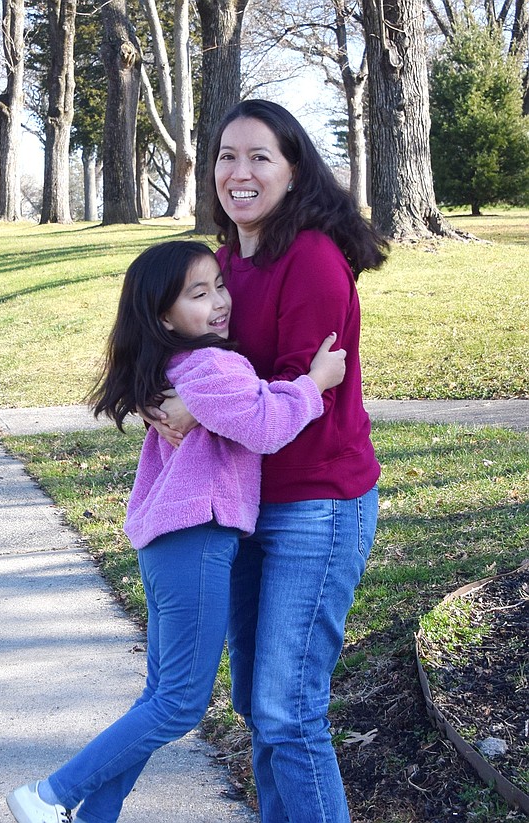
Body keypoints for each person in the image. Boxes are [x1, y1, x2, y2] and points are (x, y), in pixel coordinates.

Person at [6, 239, 346, 823]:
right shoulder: (212, 364)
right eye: (198, 294)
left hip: (173, 544)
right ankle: (50, 795)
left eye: (219, 285)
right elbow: (265, 424)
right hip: (196, 541)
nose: (219, 302)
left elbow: (244, 411)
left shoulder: (177, 365)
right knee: (180, 704)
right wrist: (315, 382)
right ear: (164, 315)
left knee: (161, 696)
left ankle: (90, 815)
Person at [155, 100, 389, 823]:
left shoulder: (312, 259)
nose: (240, 172)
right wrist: (158, 393)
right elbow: (173, 346)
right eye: (227, 155)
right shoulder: (221, 264)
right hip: (247, 504)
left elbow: (287, 409)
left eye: (260, 156)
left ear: (294, 170)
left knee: (290, 710)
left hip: (317, 502)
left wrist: (201, 405)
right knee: (261, 709)